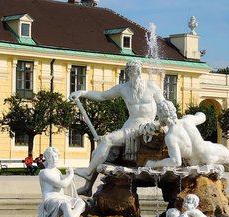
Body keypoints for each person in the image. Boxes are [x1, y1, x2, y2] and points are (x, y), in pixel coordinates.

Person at [69, 59, 167, 195]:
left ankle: (88, 173)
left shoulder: (152, 86)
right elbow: (102, 96)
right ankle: (87, 186)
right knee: (101, 150)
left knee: (107, 141)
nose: (134, 74)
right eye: (131, 71)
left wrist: (163, 122)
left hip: (147, 125)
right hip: (130, 127)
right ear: (127, 73)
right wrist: (84, 93)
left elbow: (163, 104)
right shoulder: (123, 88)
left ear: (140, 71)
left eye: (136, 71)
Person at [144, 101, 229, 193]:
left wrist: (155, 163)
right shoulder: (187, 120)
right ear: (174, 111)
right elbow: (203, 117)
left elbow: (176, 162)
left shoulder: (170, 136)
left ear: (161, 117)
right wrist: (198, 113)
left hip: (195, 161)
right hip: (207, 152)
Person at [36, 147, 86, 217]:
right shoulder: (44, 172)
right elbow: (63, 184)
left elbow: (63, 184)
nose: (54, 159)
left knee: (80, 202)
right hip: (50, 200)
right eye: (51, 157)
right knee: (65, 204)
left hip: (61, 198)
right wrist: (71, 174)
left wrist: (68, 175)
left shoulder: (58, 171)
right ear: (47, 158)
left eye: (56, 156)